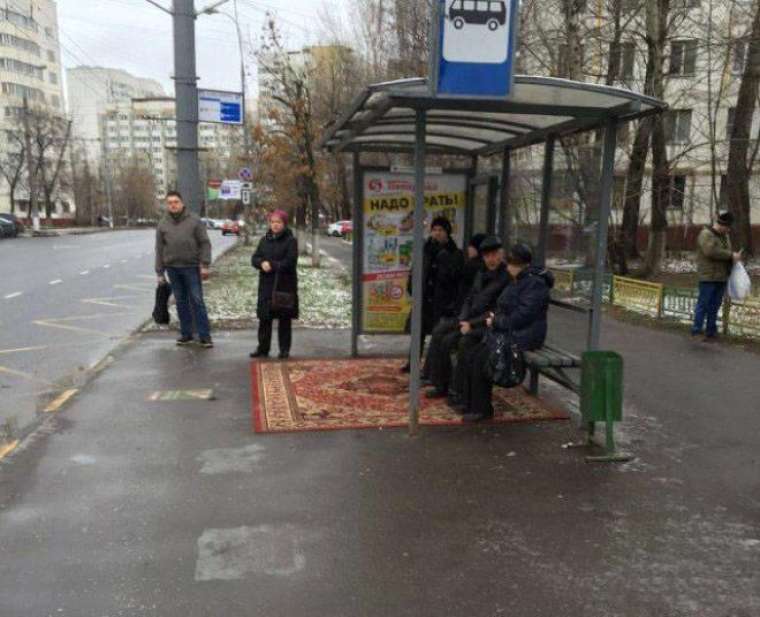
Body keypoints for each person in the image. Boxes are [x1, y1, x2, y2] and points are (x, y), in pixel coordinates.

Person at [460, 244, 554, 422]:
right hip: (512, 331)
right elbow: (508, 307)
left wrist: (495, 321)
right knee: (473, 352)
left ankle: (482, 410)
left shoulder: (534, 284)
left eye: (510, 263)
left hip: (526, 335)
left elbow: (522, 317)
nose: (507, 267)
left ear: (518, 264)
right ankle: (471, 403)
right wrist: (496, 317)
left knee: (482, 357)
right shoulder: (520, 279)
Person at [425, 235, 509, 401]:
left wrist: (470, 324)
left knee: (455, 342)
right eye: (487, 256)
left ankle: (458, 390)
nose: (491, 260)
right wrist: (463, 318)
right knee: (439, 332)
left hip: (486, 324)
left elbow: (497, 310)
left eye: (494, 255)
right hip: (469, 319)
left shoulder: (505, 277)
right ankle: (440, 384)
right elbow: (469, 297)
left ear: (501, 254)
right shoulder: (481, 273)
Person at [401, 216, 464, 373]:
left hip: (441, 300)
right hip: (423, 297)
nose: (437, 233)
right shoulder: (425, 248)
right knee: (418, 333)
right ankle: (412, 363)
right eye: (435, 230)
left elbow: (455, 277)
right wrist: (411, 287)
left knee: (437, 336)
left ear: (447, 232)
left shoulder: (454, 252)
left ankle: (431, 369)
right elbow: (415, 269)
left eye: (441, 230)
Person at [155, 190, 213, 348]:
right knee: (180, 302)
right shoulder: (163, 223)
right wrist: (160, 272)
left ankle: (204, 336)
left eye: (176, 202)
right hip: (172, 268)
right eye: (170, 203)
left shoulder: (194, 220)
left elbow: (205, 243)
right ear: (167, 205)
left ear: (182, 203)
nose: (173, 205)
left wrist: (205, 265)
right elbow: (159, 249)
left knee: (197, 301)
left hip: (192, 267)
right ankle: (186, 334)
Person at [250, 210, 299, 359]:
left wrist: (271, 264)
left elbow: (290, 262)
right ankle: (263, 348)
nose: (275, 225)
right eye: (272, 222)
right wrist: (261, 263)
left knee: (284, 319)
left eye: (278, 222)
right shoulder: (265, 239)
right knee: (265, 318)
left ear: (284, 224)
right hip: (266, 284)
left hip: (284, 284)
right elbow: (255, 258)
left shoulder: (290, 241)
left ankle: (284, 349)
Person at [692, 211, 743, 342]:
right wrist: (730, 255)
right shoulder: (706, 234)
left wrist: (734, 259)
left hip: (721, 277)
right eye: (727, 227)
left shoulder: (724, 236)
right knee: (703, 304)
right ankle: (696, 331)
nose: (729, 230)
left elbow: (726, 253)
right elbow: (710, 252)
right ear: (721, 225)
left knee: (714, 305)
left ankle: (711, 331)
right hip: (708, 276)